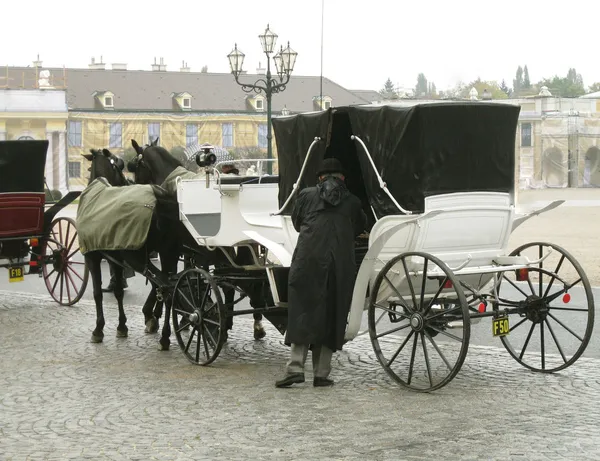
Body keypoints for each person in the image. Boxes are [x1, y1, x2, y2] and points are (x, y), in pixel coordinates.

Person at [276, 157, 367, 388]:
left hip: (307, 261)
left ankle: (295, 368)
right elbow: (358, 227)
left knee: (302, 311)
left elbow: (297, 224)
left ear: (320, 178)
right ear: (343, 178)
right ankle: (322, 374)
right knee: (333, 313)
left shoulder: (306, 195)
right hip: (340, 265)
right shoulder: (353, 202)